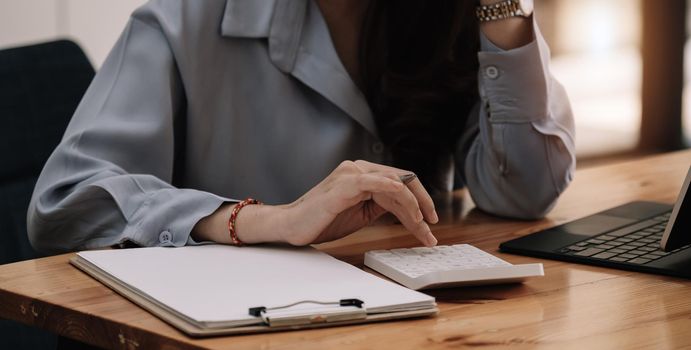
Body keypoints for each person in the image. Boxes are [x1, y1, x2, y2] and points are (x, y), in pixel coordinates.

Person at [27, 0, 575, 253]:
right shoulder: (183, 18)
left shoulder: (451, 15)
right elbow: (66, 203)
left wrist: (505, 8)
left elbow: (524, 192)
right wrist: (270, 221)